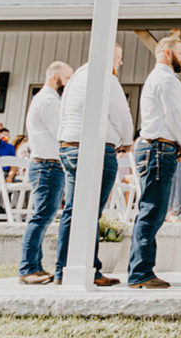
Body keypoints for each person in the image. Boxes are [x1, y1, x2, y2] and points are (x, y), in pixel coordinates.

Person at [56, 44, 134, 286]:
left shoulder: (78, 76)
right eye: (119, 58)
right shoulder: (105, 77)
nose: (119, 64)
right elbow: (121, 114)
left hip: (69, 146)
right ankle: (89, 269)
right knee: (91, 211)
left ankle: (63, 269)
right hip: (94, 150)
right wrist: (127, 141)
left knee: (72, 210)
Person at [127, 36, 181, 289]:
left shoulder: (158, 78)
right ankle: (140, 272)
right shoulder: (167, 79)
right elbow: (175, 116)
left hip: (156, 148)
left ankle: (141, 270)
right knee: (152, 210)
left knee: (152, 211)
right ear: (167, 53)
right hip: (157, 149)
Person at [17, 62, 73, 284]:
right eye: (66, 79)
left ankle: (35, 266)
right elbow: (62, 131)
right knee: (41, 216)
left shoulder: (51, 100)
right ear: (55, 77)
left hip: (51, 165)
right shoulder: (48, 101)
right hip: (47, 166)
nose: (69, 84)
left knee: (45, 215)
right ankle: (28, 268)